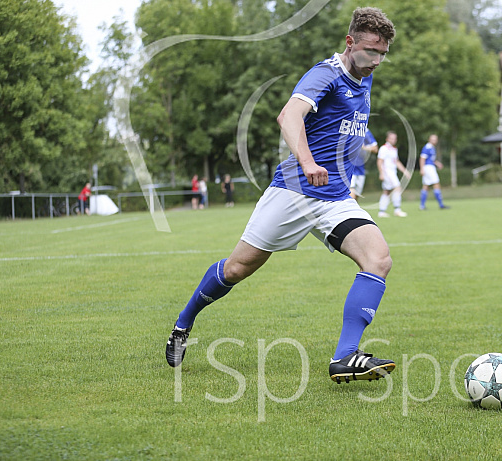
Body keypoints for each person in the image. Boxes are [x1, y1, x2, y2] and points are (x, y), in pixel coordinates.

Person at [166, 7, 399, 383]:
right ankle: (183, 323)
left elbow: (343, 137)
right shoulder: (325, 74)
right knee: (237, 268)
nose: (375, 60)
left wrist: (346, 188)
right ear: (349, 42)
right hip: (292, 192)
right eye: (370, 50)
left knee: (379, 259)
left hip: (335, 196)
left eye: (382, 54)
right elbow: (288, 116)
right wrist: (307, 162)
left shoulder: (365, 76)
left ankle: (345, 357)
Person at [377, 130, 411, 217]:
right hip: (387, 172)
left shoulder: (394, 149)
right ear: (387, 138)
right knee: (397, 188)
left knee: (387, 192)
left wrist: (405, 171)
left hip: (393, 172)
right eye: (391, 138)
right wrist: (381, 173)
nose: (393, 140)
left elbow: (396, 162)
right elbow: (379, 161)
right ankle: (397, 209)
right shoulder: (384, 148)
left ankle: (381, 211)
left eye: (395, 138)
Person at [418, 134, 449, 210]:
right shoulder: (427, 147)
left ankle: (422, 206)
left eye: (435, 139)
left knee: (426, 186)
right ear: (429, 139)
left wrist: (437, 163)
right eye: (432, 139)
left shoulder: (432, 148)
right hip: (428, 168)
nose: (434, 141)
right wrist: (422, 169)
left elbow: (431, 159)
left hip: (429, 167)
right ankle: (441, 205)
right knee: (436, 184)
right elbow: (422, 158)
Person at [350, 127, 378, 201]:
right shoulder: (348, 126)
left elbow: (375, 148)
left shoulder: (365, 130)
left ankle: (353, 212)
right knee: (351, 191)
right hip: (349, 167)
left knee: (357, 195)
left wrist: (364, 148)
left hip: (360, 168)